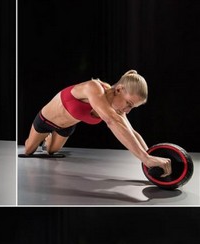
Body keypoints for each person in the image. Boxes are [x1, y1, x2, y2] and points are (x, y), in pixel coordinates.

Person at [22, 70, 172, 177]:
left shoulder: (116, 108)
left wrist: (150, 155)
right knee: (29, 150)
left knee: (50, 151)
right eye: (129, 103)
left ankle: (48, 141)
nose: (128, 110)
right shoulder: (93, 88)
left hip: (66, 127)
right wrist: (144, 158)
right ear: (119, 89)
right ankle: (43, 137)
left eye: (132, 107)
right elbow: (111, 121)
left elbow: (131, 131)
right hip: (45, 120)